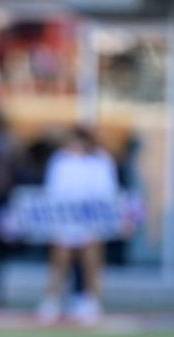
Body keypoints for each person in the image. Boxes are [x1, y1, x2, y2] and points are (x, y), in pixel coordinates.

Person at [36, 126, 118, 325]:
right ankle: (52, 300)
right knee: (60, 256)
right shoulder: (60, 160)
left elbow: (107, 192)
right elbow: (53, 191)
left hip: (91, 221)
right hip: (65, 221)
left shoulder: (101, 161)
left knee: (92, 256)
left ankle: (92, 301)